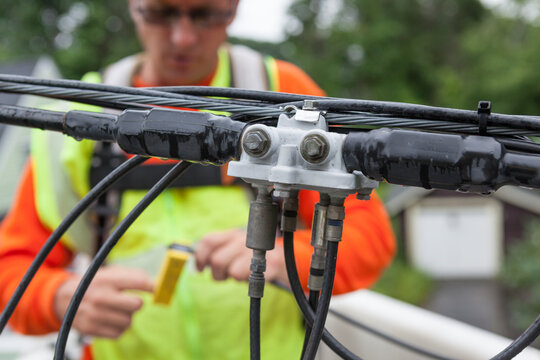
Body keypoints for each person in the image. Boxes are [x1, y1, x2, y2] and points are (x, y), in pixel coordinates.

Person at [0, 0, 396, 359]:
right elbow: (10, 272)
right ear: (133, 7)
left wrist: (284, 259)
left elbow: (371, 237)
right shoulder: (85, 114)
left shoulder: (283, 97)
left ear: (233, 8)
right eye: (161, 13)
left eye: (204, 14)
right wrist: (59, 297)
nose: (183, 37)